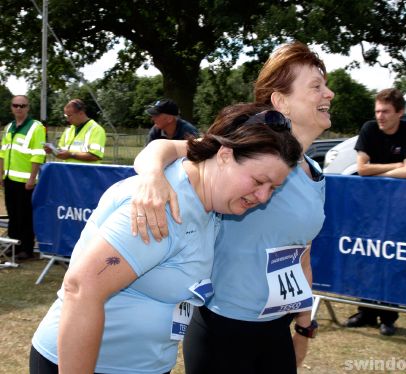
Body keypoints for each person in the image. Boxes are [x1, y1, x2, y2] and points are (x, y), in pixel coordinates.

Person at [30, 103, 302, 374]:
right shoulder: (162, 208)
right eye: (258, 181)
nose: (263, 197)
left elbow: (187, 146)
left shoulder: (208, 194)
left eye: (273, 188)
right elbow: (81, 289)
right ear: (225, 157)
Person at [131, 41, 334, 373]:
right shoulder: (243, 152)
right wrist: (153, 177)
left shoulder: (315, 171)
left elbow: (302, 256)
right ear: (281, 101)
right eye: (316, 87)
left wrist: (303, 326)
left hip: (275, 331)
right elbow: (162, 149)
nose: (329, 94)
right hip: (221, 329)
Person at [344, 88, 406, 336]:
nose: (380, 116)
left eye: (386, 111)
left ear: (399, 112)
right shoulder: (368, 129)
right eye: (377, 110)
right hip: (369, 208)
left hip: (398, 207)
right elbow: (362, 169)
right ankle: (365, 311)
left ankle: (388, 317)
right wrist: (394, 166)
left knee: (390, 259)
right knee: (367, 257)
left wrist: (383, 170)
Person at [0, 95, 46, 260]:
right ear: (11, 107)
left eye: (22, 105)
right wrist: (1, 174)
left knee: (25, 216)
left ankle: (27, 249)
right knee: (12, 215)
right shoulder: (9, 127)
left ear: (28, 108)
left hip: (26, 181)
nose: (18, 108)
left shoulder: (36, 127)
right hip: (10, 179)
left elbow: (38, 154)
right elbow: (3, 152)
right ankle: (13, 246)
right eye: (15, 105)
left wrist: (32, 178)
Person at [44, 99, 106, 163]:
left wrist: (71, 154)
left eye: (69, 116)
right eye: (66, 116)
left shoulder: (96, 129)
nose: (67, 119)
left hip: (87, 172)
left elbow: (95, 156)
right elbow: (63, 154)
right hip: (68, 171)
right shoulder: (68, 131)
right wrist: (53, 151)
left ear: (81, 113)